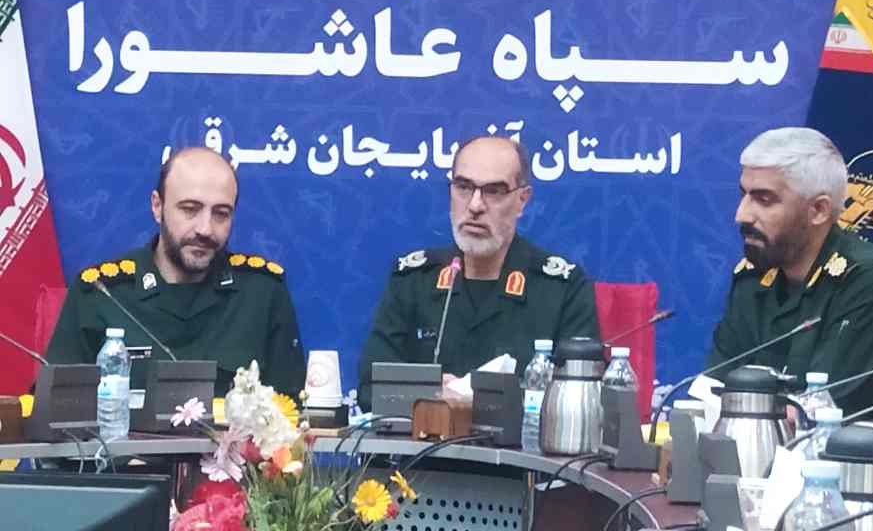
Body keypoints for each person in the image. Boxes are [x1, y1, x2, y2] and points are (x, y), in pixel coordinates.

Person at [358, 135, 598, 411]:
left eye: (494, 191)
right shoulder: (413, 280)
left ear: (522, 200)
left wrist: (475, 401)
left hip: (518, 440)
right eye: (463, 187)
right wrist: (429, 393)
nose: (475, 205)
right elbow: (369, 388)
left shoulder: (561, 288)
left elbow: (580, 399)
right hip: (426, 439)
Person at [46, 147, 305, 397]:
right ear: (157, 206)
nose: (205, 229)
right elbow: (55, 408)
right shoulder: (102, 293)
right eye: (190, 209)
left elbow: (289, 411)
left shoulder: (262, 292)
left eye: (221, 214)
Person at [707, 127, 873, 421]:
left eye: (764, 200)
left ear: (818, 210)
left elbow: (822, 413)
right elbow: (715, 389)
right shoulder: (752, 277)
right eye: (744, 195)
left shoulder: (869, 282)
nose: (742, 214)